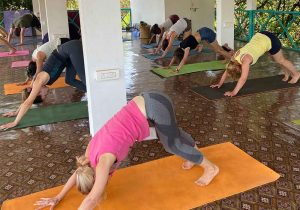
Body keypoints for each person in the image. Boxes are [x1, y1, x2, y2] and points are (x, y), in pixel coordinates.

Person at [33, 90, 219, 210]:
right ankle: (192, 150)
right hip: (149, 100)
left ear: (97, 176)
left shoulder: (104, 162)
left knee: (171, 144)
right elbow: (77, 173)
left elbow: (92, 199)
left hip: (155, 105)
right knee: (171, 134)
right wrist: (58, 197)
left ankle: (210, 168)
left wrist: (89, 198)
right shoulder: (87, 158)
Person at [0, 40, 86, 130]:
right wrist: (16, 112)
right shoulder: (34, 83)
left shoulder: (38, 82)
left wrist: (15, 122)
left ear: (38, 92)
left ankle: (94, 92)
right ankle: (91, 91)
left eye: (44, 95)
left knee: (85, 78)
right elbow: (27, 98)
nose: (47, 94)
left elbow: (28, 102)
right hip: (67, 54)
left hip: (70, 48)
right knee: (70, 80)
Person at [210, 31, 300, 97]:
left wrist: (233, 92)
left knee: (281, 60)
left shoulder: (246, 60)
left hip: (270, 40)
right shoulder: (234, 58)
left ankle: (296, 75)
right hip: (260, 35)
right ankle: (287, 74)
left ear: (239, 69)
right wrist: (219, 83)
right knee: (277, 60)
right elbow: (227, 71)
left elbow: (243, 78)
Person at [166, 27, 234, 72]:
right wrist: (169, 65)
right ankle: (227, 56)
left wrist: (177, 69)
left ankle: (233, 60)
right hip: (202, 31)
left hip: (206, 34)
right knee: (218, 49)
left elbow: (184, 60)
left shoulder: (186, 48)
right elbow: (175, 55)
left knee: (218, 51)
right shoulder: (180, 45)